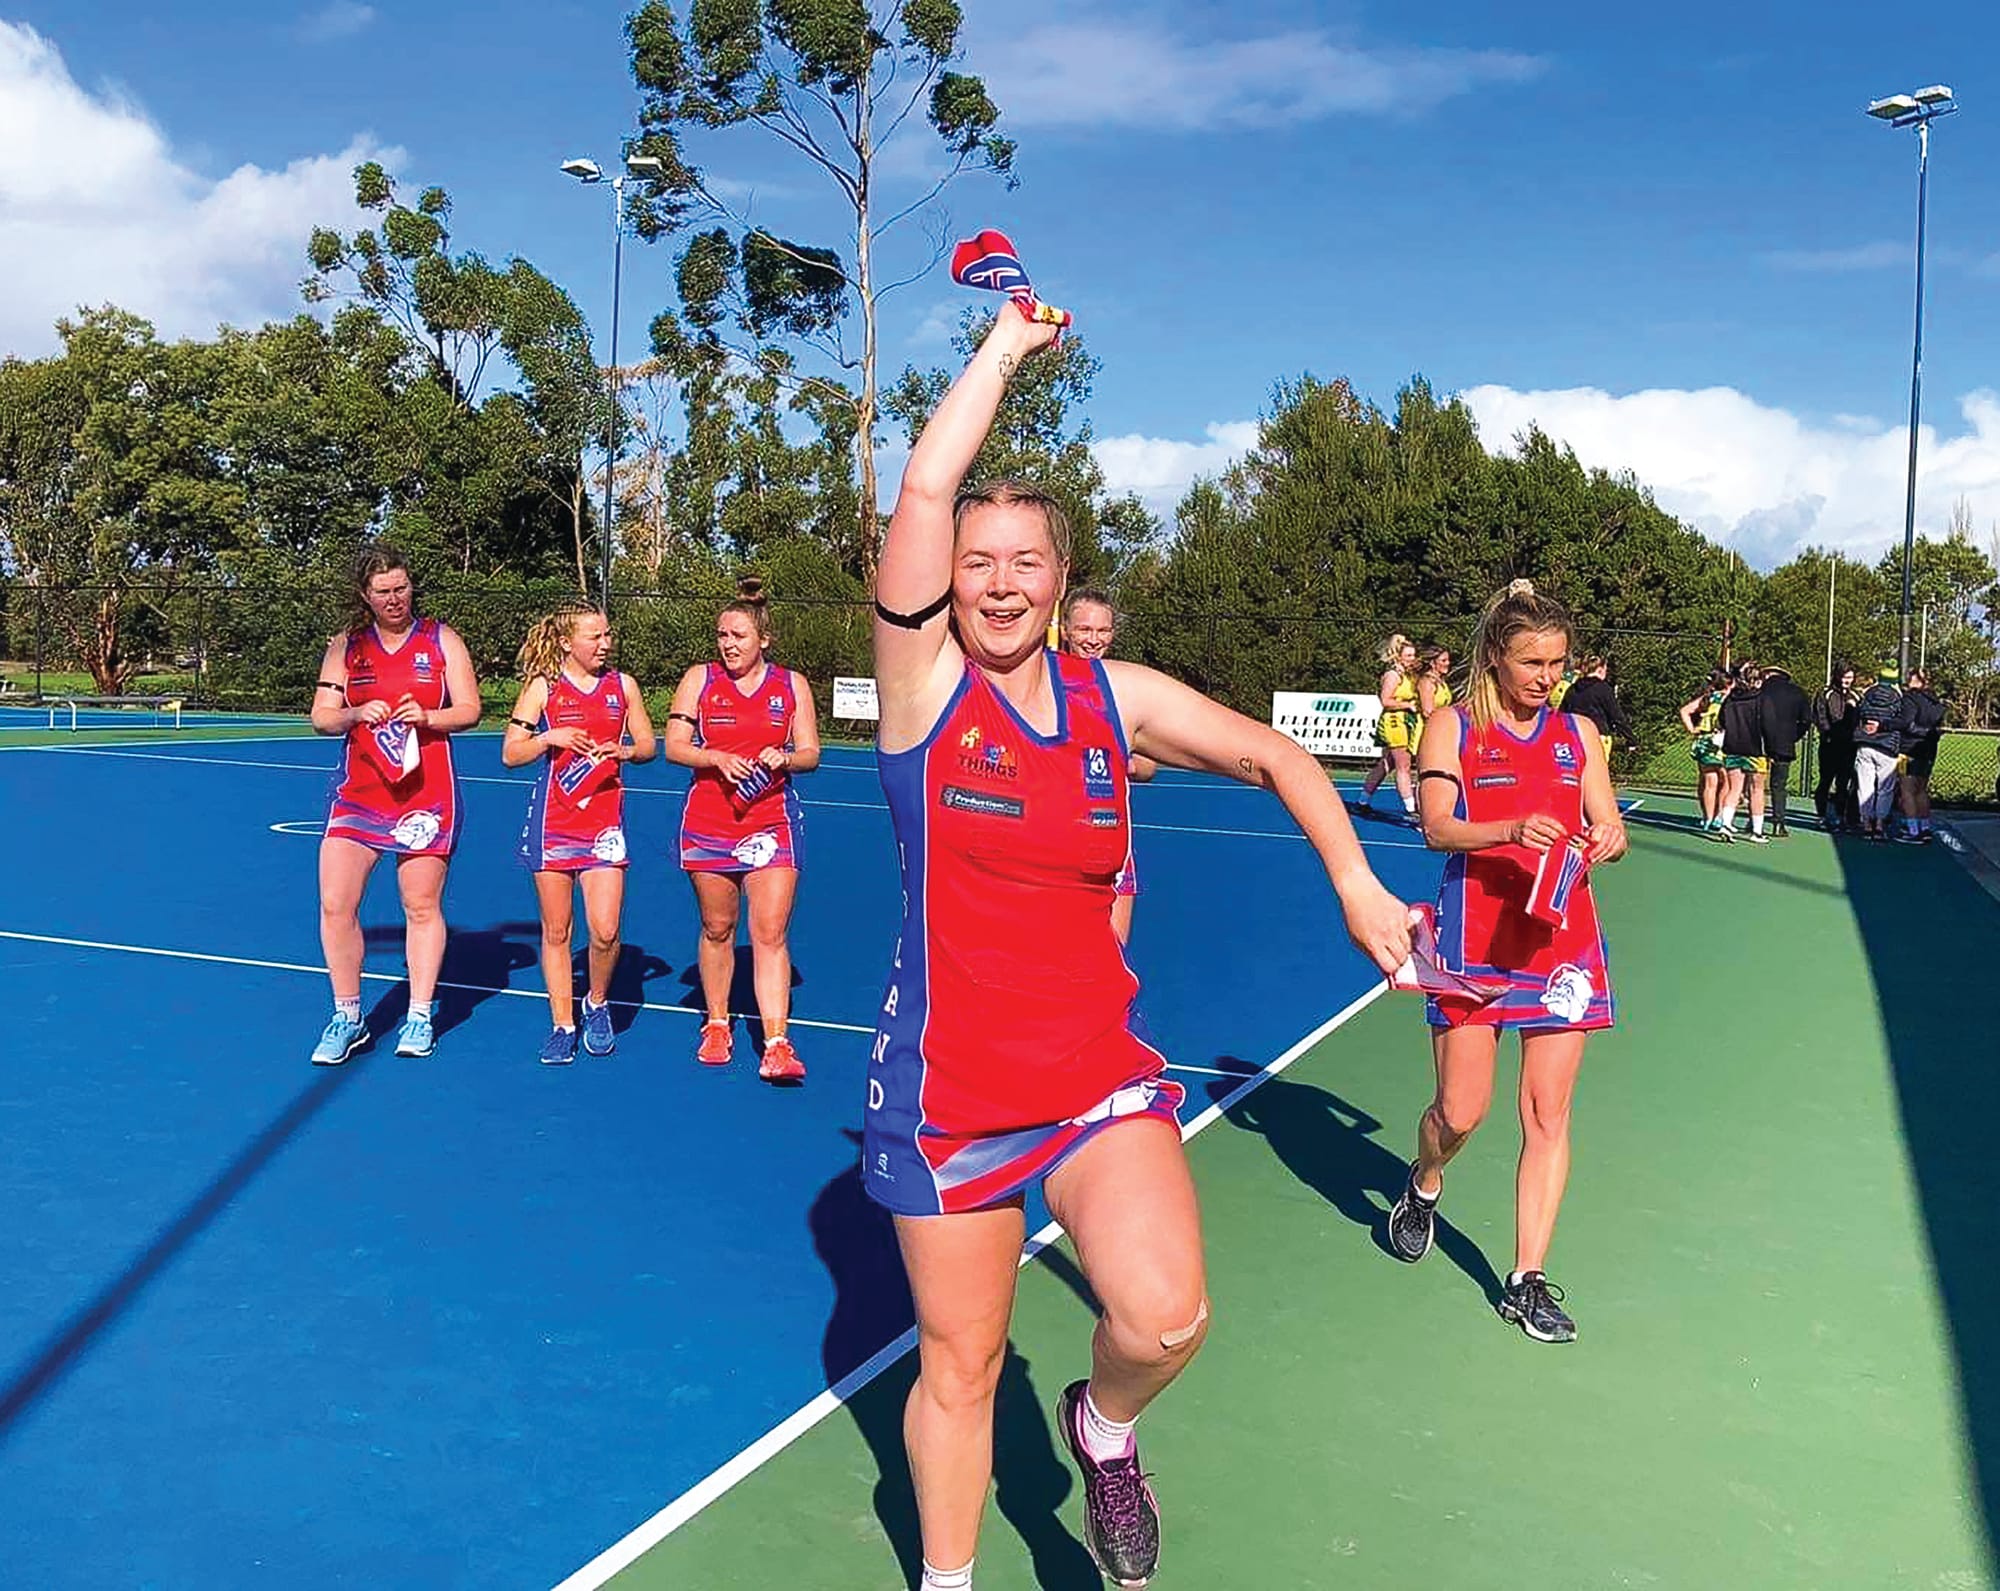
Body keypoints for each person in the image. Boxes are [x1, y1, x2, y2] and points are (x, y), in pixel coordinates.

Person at [867, 305, 1411, 1591]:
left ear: (1062, 579)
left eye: (1025, 562)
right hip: (947, 1094)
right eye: (977, 559)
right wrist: (1004, 347)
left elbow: (1275, 755)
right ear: (949, 573)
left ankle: (1101, 1428)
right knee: (961, 1367)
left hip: (1090, 1075)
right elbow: (925, 479)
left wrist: (1354, 883)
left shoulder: (1117, 697)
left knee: (1163, 1316)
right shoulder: (922, 688)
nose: (997, 581)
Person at [1387, 579, 1627, 1344]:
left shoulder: (1578, 734)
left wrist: (1610, 836)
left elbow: (1607, 818)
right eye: (1531, 661)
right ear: (1495, 655)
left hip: (1563, 947)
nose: (1546, 677)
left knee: (1547, 1113)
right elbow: (1435, 827)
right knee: (1461, 1111)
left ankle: (1525, 1279)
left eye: (1556, 662)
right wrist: (1507, 828)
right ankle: (1425, 1181)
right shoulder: (1449, 727)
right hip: (1475, 942)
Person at [308, 545, 481, 1064]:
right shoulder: (346, 647)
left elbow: (471, 709)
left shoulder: (441, 639)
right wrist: (356, 711)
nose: (394, 599)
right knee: (336, 904)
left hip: (425, 797)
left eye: (401, 588)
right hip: (359, 794)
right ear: (366, 595)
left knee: (420, 905)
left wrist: (428, 717)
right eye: (383, 591)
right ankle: (348, 1015)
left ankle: (420, 1013)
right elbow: (322, 716)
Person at [664, 578, 822, 1079]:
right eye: (722, 635)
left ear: (763, 640)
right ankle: (716, 1022)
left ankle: (776, 1043)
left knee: (770, 931)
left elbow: (812, 753)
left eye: (738, 635)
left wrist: (787, 758)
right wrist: (715, 758)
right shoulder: (700, 679)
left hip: (771, 822)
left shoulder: (791, 685)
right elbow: (674, 746)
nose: (729, 645)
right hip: (710, 823)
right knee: (718, 928)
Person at [502, 599, 657, 1064]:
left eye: (608, 635)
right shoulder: (544, 688)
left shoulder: (623, 686)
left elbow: (649, 745)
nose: (605, 644)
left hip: (603, 825)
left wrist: (623, 752)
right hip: (553, 823)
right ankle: (562, 1023)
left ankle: (597, 1002)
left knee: (606, 931)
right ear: (569, 642)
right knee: (557, 930)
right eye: (595, 636)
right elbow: (511, 752)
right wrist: (551, 738)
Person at [1061, 588, 1157, 945]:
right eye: (1085, 630)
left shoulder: (1125, 689)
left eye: (1102, 631)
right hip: (1054, 847)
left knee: (1112, 952)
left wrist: (1125, 760)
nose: (1093, 639)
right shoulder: (1044, 681)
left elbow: (1149, 767)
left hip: (1113, 847)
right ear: (1067, 630)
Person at [1358, 633, 1420, 821]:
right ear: (1398, 656)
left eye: (1413, 655)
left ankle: (1363, 801)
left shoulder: (1406, 675)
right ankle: (1411, 809)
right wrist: (1407, 705)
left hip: (1404, 721)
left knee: (1387, 763)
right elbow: (1385, 700)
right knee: (1404, 765)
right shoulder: (1392, 675)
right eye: (1408, 655)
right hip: (1395, 722)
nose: (1412, 659)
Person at [1713, 663, 1770, 844]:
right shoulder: (1761, 699)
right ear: (1756, 680)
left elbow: (1721, 720)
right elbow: (1768, 724)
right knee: (1757, 790)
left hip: (1732, 748)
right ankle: (1757, 831)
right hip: (1755, 750)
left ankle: (1725, 824)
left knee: (1734, 788)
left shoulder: (1730, 699)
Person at [1755, 663, 1812, 837]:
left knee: (1755, 785)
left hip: (1759, 743)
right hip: (1784, 744)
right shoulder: (1798, 692)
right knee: (1779, 785)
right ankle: (1778, 823)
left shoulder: (1759, 692)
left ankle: (1754, 820)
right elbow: (1806, 720)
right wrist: (1793, 736)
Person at [1852, 663, 1905, 842]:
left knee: (1865, 786)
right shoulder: (1898, 699)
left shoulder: (1867, 695)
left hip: (1865, 745)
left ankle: (1866, 823)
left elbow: (1857, 714)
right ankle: (1880, 825)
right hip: (1887, 747)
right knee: (1885, 789)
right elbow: (1901, 721)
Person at [1894, 668, 1947, 844]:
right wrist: (1931, 734)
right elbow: (1937, 728)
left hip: (1908, 750)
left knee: (1907, 791)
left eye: (1911, 678)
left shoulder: (1910, 699)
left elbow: (1906, 724)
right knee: (1921, 790)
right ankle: (1924, 827)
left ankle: (1912, 830)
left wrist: (1887, 724)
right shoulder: (1936, 703)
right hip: (1929, 750)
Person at [1557, 654, 1636, 764]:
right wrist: (1630, 739)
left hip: (1575, 737)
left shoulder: (1572, 689)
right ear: (1600, 669)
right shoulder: (1603, 689)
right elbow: (1616, 716)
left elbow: (1561, 716)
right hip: (1598, 736)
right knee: (1597, 773)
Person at [1677, 670, 1730, 833]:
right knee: (1726, 782)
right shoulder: (1728, 700)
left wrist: (1693, 729)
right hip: (1722, 741)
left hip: (1704, 741)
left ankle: (1707, 818)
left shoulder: (1707, 699)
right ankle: (1719, 815)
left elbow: (1684, 711)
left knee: (1709, 782)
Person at [1813, 663, 1859, 832]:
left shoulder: (1855, 696)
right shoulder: (1825, 693)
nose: (1848, 681)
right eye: (1846, 677)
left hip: (1848, 746)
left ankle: (1841, 817)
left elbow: (1858, 718)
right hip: (1830, 745)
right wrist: (1829, 733)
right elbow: (1820, 716)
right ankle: (1821, 816)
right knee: (1825, 781)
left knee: (1843, 783)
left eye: (1851, 678)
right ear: (1838, 676)